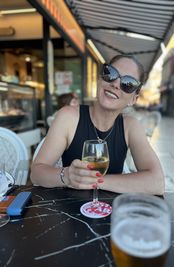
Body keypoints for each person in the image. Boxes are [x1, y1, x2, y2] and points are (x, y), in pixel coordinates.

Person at [31, 54, 164, 195]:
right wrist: (67, 176)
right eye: (111, 73)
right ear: (100, 79)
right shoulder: (68, 117)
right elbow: (37, 173)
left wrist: (95, 181)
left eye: (128, 83)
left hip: (110, 213)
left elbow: (157, 182)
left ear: (133, 99)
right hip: (70, 209)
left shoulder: (130, 126)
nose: (115, 84)